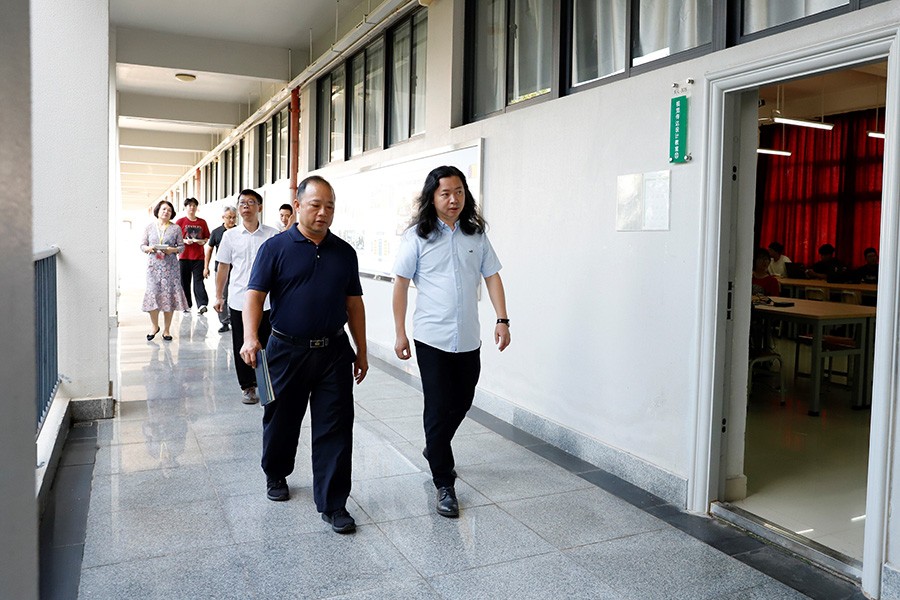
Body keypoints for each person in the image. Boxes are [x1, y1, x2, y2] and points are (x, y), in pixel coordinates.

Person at [240, 175, 368, 534]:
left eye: (330, 206)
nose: (323, 212)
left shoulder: (344, 252)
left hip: (334, 352)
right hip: (285, 350)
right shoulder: (275, 248)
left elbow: (354, 304)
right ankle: (276, 472)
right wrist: (250, 337)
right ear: (297, 205)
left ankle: (333, 503)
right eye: (315, 205)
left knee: (336, 427)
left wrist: (361, 350)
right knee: (281, 419)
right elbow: (255, 295)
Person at [392, 165, 510, 519]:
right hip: (432, 337)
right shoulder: (417, 236)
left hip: (468, 336)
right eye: (445, 193)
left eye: (458, 192)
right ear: (432, 197)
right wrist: (399, 332)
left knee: (463, 400)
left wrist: (502, 319)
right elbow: (400, 285)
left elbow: (492, 276)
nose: (453, 199)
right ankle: (444, 482)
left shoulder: (476, 234)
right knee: (437, 406)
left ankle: (435, 446)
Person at [214, 190, 278, 404]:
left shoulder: (272, 235)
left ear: (260, 207)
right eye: (242, 202)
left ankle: (266, 384)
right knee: (242, 342)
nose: (246, 206)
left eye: (251, 202)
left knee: (267, 342)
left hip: (267, 300)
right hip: (239, 299)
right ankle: (247, 386)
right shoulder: (230, 236)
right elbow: (223, 267)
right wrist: (218, 296)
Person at [140, 200, 189, 341]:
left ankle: (167, 330)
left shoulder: (176, 228)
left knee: (169, 296)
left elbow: (181, 247)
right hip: (153, 268)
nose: (166, 212)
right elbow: (142, 245)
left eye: (169, 210)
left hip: (170, 267)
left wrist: (171, 250)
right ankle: (154, 326)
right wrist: (149, 248)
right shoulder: (149, 227)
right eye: (163, 209)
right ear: (158, 211)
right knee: (153, 294)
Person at [204, 205, 237, 333]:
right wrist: (206, 267)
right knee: (222, 295)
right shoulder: (216, 232)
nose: (231, 220)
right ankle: (224, 322)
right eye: (229, 217)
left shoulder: (239, 231)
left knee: (235, 294)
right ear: (223, 217)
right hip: (221, 269)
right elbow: (209, 249)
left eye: (234, 217)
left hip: (237, 269)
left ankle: (235, 320)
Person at [175, 197, 211, 314]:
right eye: (189, 205)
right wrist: (184, 241)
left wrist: (203, 241)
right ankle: (186, 305)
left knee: (198, 281)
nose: (192, 207)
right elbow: (174, 238)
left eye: (194, 205)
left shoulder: (202, 222)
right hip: (184, 257)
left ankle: (202, 304)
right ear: (185, 207)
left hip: (198, 257)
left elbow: (207, 237)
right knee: (184, 282)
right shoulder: (180, 222)